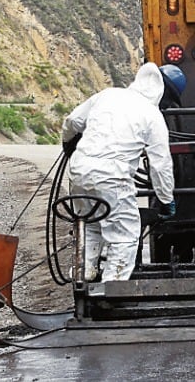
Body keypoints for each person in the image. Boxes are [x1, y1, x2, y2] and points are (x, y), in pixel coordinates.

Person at [61, 63, 182, 282]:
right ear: (161, 92)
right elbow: (160, 164)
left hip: (79, 170)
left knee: (88, 224)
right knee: (124, 235)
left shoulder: (108, 95)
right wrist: (166, 200)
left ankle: (83, 276)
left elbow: (73, 121)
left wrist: (67, 143)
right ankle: (112, 287)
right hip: (112, 177)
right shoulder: (152, 115)